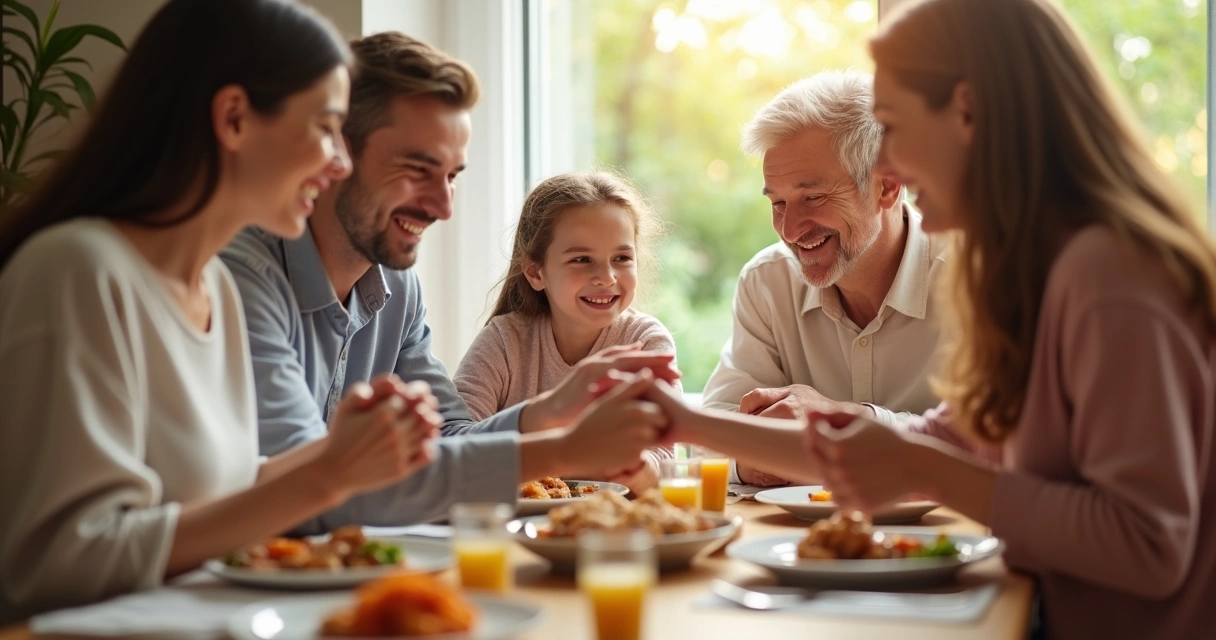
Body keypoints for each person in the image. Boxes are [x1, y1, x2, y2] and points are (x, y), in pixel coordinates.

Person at [653, 0, 1216, 636]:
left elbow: (1148, 546)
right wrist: (680, 420)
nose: (886, 167)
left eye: (893, 127)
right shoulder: (1035, 269)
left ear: (967, 112)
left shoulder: (1109, 275)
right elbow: (936, 443)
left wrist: (922, 469)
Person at [0, 0, 441, 621]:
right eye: (325, 128)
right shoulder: (78, 271)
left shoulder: (214, 287)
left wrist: (345, 452)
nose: (340, 162)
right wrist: (330, 474)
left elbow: (216, 498)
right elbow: (57, 566)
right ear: (233, 118)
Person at [220, 33, 675, 533]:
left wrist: (546, 412)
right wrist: (561, 449)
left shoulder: (398, 288)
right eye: (418, 169)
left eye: (452, 175)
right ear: (336, 154)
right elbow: (305, 493)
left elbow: (450, 438)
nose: (443, 206)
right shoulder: (242, 280)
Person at [700, 70, 947, 486]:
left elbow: (1005, 446)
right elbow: (711, 436)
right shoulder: (768, 282)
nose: (790, 230)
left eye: (813, 197)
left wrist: (847, 421)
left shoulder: (979, 280)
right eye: (778, 203)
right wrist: (752, 461)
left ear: (887, 186)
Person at [454, 171, 680, 492]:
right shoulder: (504, 340)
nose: (606, 277)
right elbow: (456, 446)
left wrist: (636, 469)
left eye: (621, 258)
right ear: (536, 272)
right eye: (582, 259)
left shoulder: (645, 341)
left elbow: (665, 463)